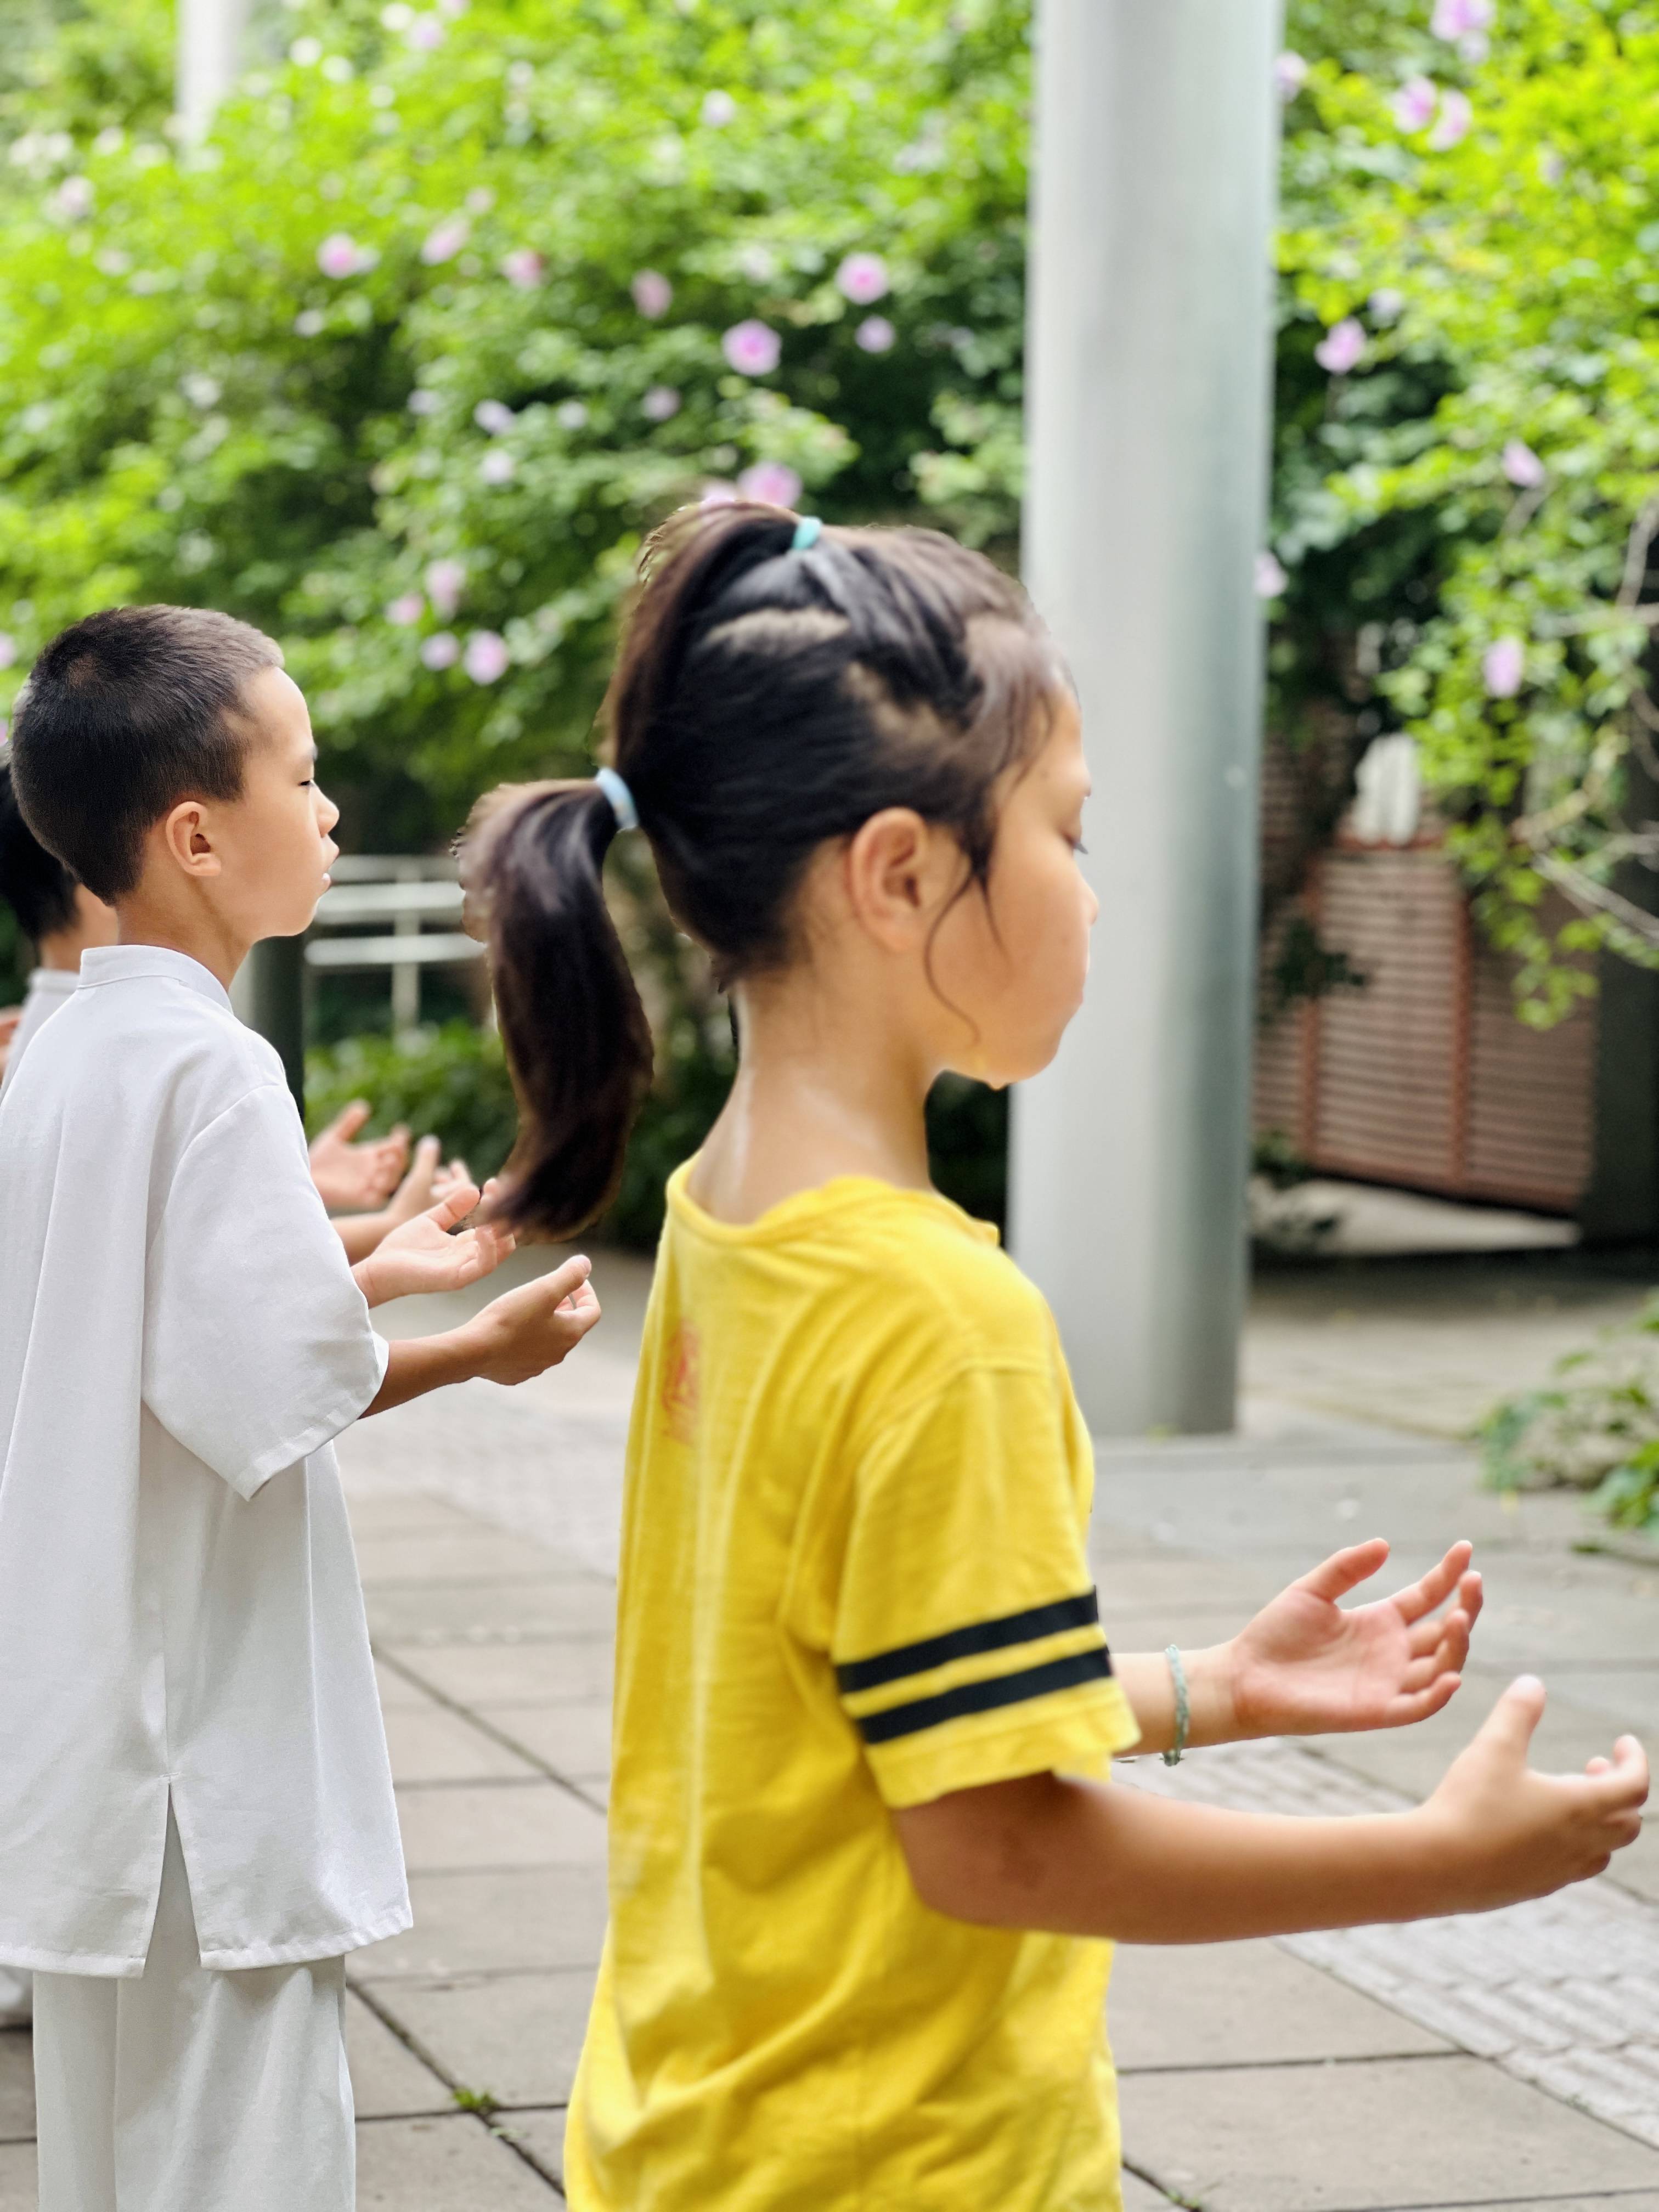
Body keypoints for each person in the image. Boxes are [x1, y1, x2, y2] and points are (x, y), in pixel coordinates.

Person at [460, 505, 1649, 2212]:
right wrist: (1442, 1865)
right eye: (1066, 835)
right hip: (901, 2168)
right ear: (900, 872)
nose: (1092, 895)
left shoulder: (732, 1220)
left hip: (707, 2128)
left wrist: (1209, 1692)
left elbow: (859, 1709)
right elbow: (995, 1843)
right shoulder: (940, 1316)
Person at [0, 603, 602, 2212]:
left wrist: (380, 1273)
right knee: (246, 2157)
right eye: (306, 775)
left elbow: (165, 1341)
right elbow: (259, 1386)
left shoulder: (67, 1052)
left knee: (111, 2162)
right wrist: (480, 1345)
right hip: (205, 1745)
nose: (331, 814)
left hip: (98, 1729)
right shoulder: (212, 1068)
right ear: (197, 834)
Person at [0, 748, 460, 1248]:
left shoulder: (61, 1037)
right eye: (302, 782)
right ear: (99, 879)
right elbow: (225, 1298)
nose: (328, 814)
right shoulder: (191, 1051)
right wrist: (394, 1236)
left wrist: (288, 1177)